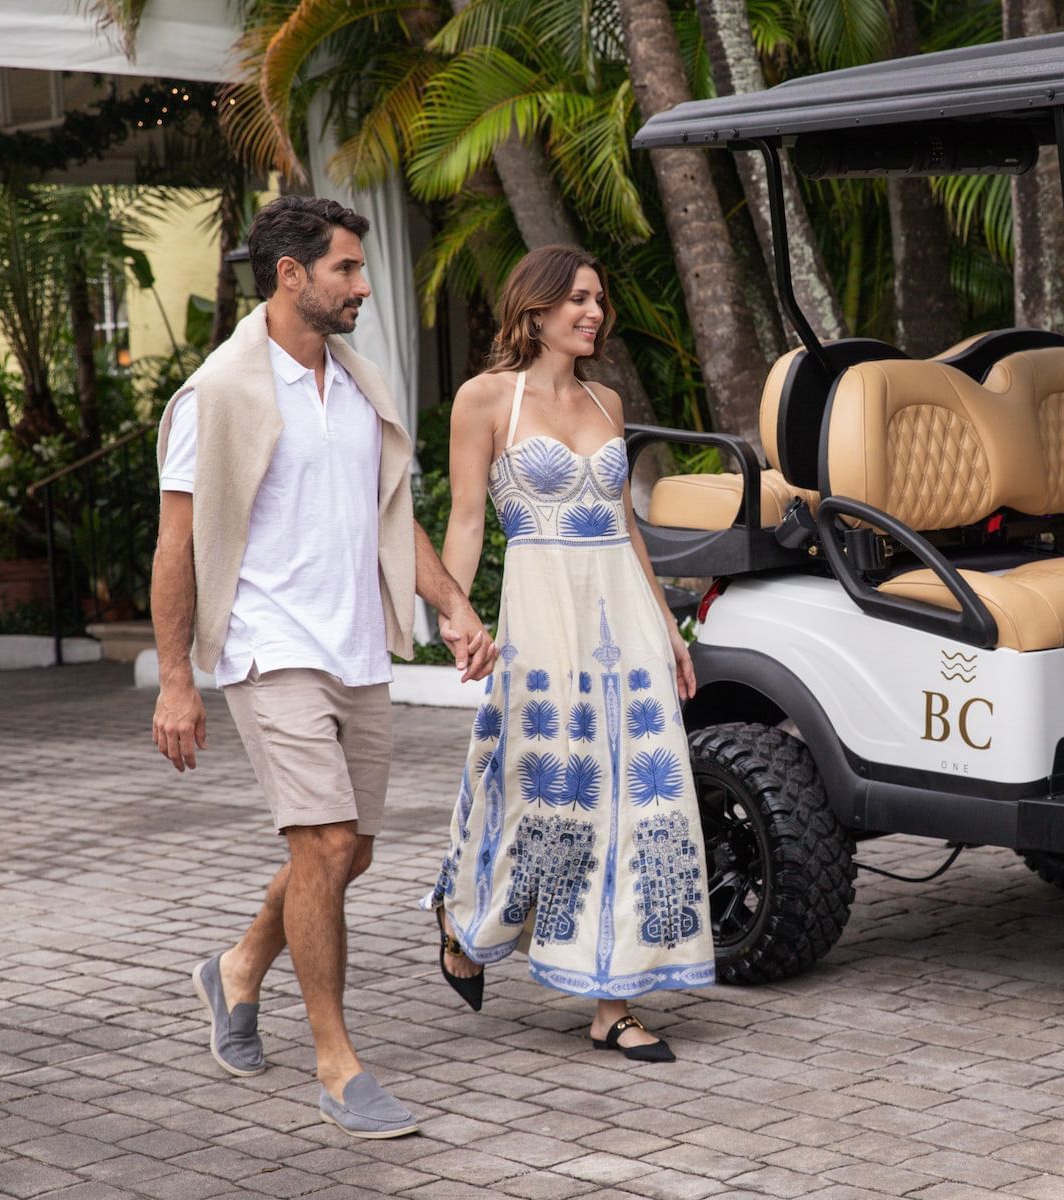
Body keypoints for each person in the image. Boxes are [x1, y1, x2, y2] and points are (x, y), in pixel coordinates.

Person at [150, 196, 496, 1138]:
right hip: (269, 649)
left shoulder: (358, 384)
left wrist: (453, 607)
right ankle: (338, 1064)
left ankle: (232, 971)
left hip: (355, 646)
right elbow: (176, 544)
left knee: (351, 850)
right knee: (327, 845)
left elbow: (393, 513)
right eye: (345, 268)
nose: (361, 285)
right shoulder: (218, 394)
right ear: (289, 275)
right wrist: (177, 678)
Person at [427, 245, 715, 1062]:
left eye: (599, 300)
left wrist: (669, 629)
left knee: (636, 798)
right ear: (536, 307)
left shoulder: (607, 400)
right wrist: (457, 614)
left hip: (620, 613)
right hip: (542, 610)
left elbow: (627, 525)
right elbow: (469, 520)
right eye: (579, 299)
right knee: (543, 794)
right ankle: (462, 912)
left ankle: (611, 1001)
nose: (595, 312)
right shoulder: (486, 400)